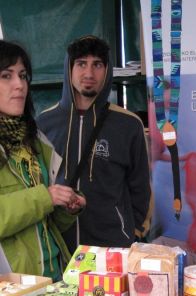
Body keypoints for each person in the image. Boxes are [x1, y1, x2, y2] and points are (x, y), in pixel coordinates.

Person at [36, 35, 151, 253]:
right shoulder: (44, 123)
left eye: (97, 64)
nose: (89, 74)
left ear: (107, 70)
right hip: (60, 248)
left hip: (113, 247)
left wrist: (133, 233)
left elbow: (141, 186)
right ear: (69, 68)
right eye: (81, 64)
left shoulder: (128, 124)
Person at [0, 40, 86, 280]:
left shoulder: (36, 140)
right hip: (12, 288)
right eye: (6, 76)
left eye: (23, 75)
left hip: (54, 277)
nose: (19, 85)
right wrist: (45, 197)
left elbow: (44, 224)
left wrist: (65, 208)